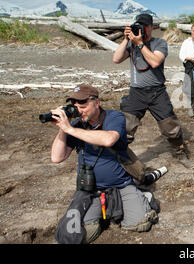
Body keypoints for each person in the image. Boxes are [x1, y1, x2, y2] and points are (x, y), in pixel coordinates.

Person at [50, 84, 158, 244]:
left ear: (97, 102)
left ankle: (143, 196)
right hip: (90, 189)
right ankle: (107, 207)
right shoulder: (75, 126)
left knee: (139, 224)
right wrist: (62, 128)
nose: (79, 110)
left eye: (83, 106)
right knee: (81, 234)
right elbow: (57, 157)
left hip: (122, 185)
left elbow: (109, 139)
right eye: (75, 106)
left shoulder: (114, 117)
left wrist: (71, 130)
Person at [113, 13, 194, 169]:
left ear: (151, 27)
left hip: (157, 92)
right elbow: (116, 59)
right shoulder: (131, 44)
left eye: (145, 26)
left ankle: (180, 153)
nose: (142, 29)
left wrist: (140, 44)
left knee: (171, 127)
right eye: (139, 26)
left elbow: (155, 61)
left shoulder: (159, 43)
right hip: (136, 93)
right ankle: (119, 159)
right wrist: (126, 39)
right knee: (126, 128)